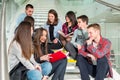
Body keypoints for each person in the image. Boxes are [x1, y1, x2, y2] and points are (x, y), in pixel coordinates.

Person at [44, 9, 67, 80]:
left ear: (55, 17)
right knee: (47, 47)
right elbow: (44, 36)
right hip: (49, 42)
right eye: (49, 16)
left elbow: (62, 34)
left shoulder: (59, 23)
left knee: (48, 48)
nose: (50, 18)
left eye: (52, 16)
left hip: (57, 42)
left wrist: (58, 38)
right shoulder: (46, 24)